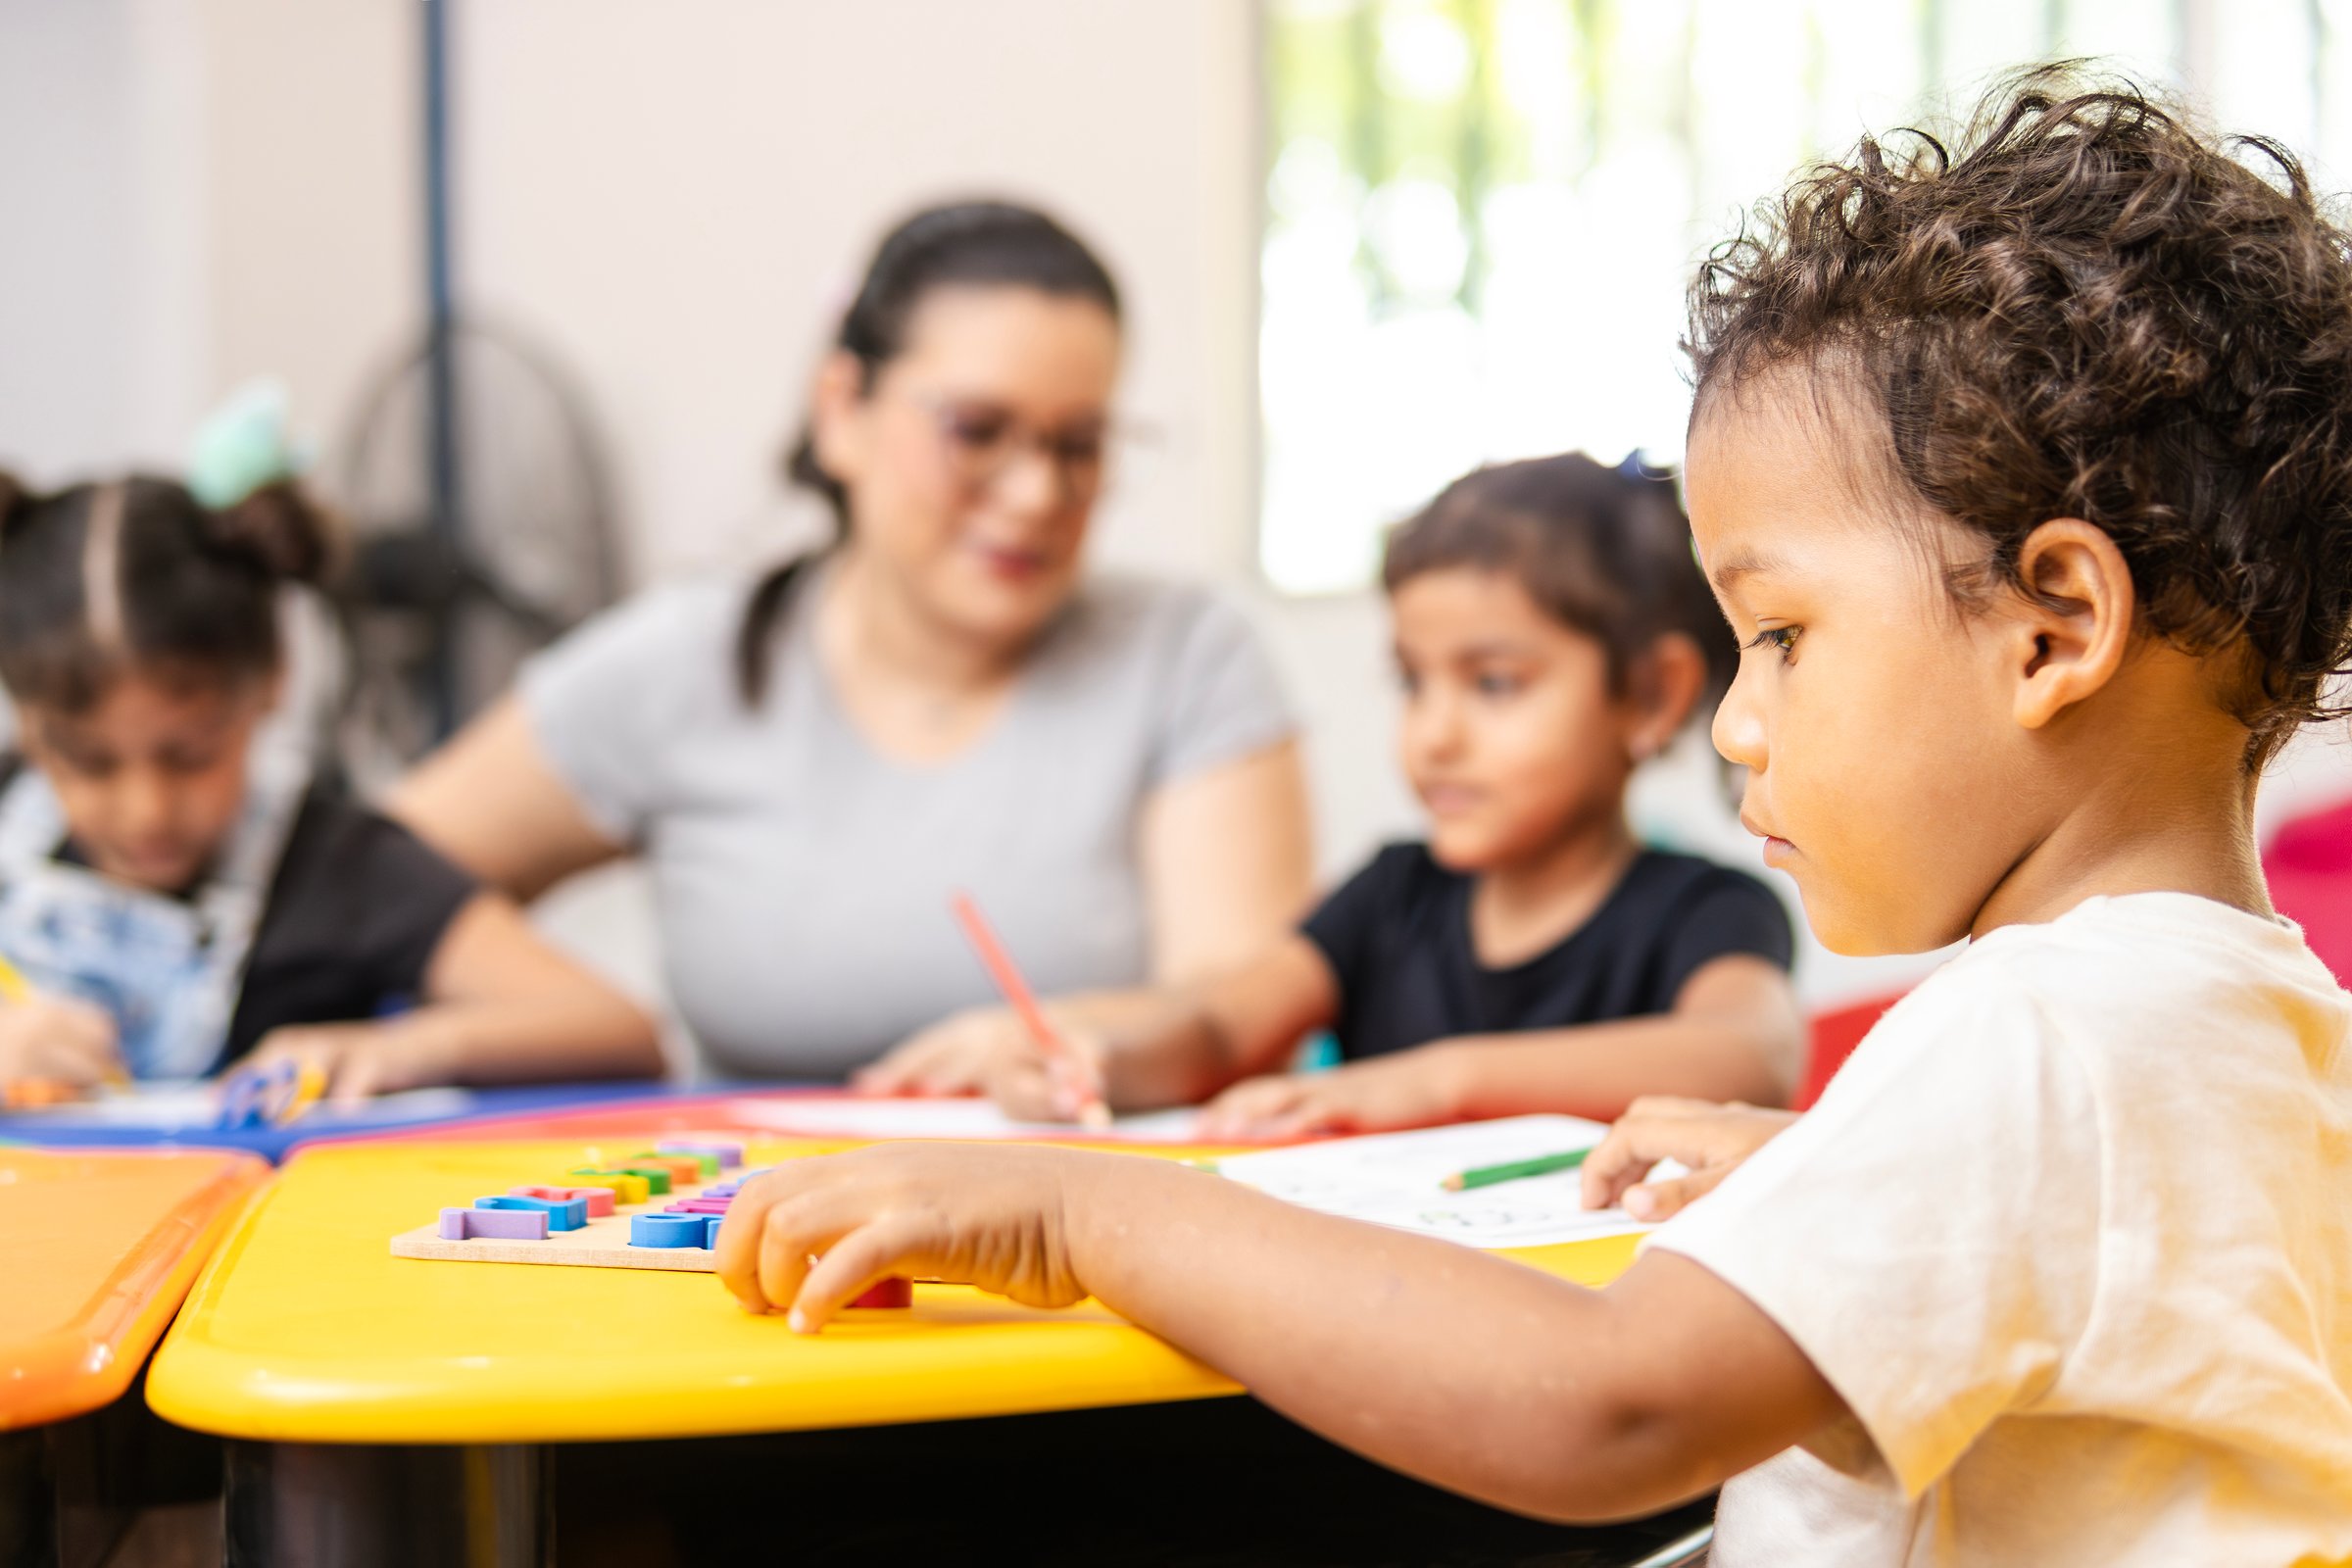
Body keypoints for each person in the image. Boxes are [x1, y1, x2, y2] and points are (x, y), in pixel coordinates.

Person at [710, 73, 2352, 1561]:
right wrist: (1834, 1174)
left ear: (2054, 626)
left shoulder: (2038, 1048)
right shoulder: (2258, 1029)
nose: (1733, 717)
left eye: (1778, 634)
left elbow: (1604, 1410)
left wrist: (1091, 1213)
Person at [391, 201, 1311, 1080]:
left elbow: (1242, 1001)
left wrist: (1078, 1041)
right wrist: (557, 1021)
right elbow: (363, 883)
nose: (1036, 494)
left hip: (1072, 1227)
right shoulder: (681, 664)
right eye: (977, 431)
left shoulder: (1188, 659)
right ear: (842, 410)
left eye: (1078, 445)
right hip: (745, 1230)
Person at [860, 453, 1801, 1137]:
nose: (1434, 732)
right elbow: (1224, 1026)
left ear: (1650, 696)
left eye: (1494, 683)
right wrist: (1100, 1063)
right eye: (1411, 681)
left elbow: (1748, 1057)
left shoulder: (1707, 911)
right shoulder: (1389, 896)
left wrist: (1435, 1084)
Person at [0, 471, 662, 1100]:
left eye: (191, 755)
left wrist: (403, 1048)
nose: (146, 810)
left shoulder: (345, 868)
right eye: (88, 762)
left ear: (271, 681)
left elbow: (620, 1030)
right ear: (25, 719)